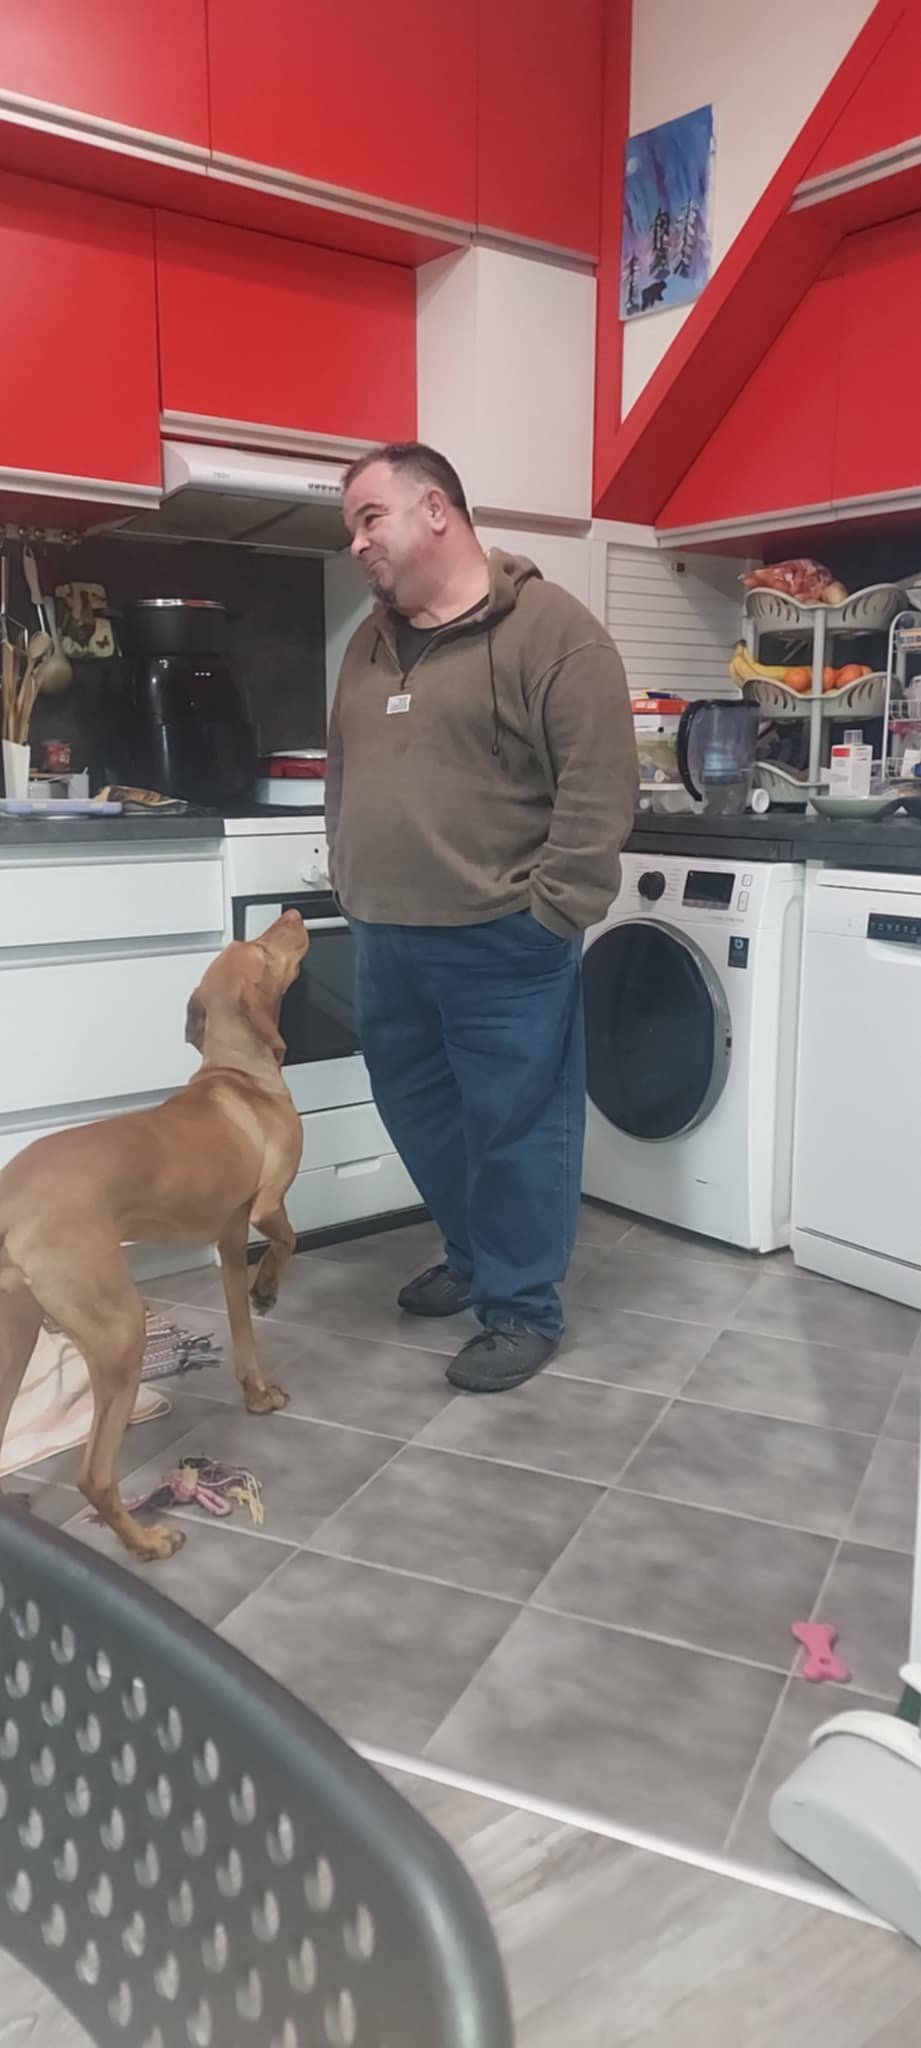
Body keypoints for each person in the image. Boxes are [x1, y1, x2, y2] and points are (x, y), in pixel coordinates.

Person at [326, 442, 637, 1394]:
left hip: (503, 934)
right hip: (385, 931)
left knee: (515, 1129)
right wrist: (348, 874)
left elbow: (598, 788)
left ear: (436, 510)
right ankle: (471, 1256)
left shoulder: (555, 632)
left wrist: (553, 912)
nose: (356, 543)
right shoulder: (369, 642)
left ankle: (521, 1307)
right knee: (418, 1111)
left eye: (369, 517)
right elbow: (344, 771)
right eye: (349, 528)